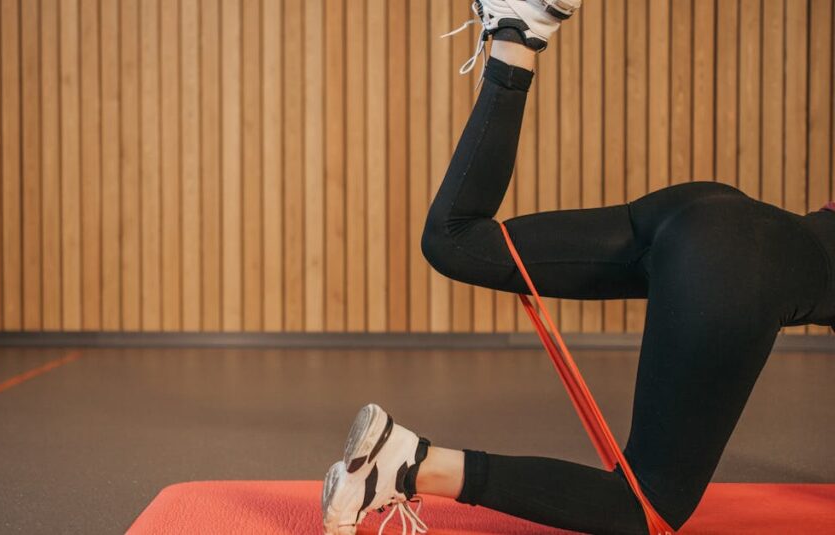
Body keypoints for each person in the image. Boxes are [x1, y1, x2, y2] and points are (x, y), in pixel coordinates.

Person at [321, 1, 835, 534]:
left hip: (707, 213)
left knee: (457, 240)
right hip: (734, 267)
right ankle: (407, 464)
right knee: (645, 509)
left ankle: (521, 29)